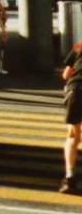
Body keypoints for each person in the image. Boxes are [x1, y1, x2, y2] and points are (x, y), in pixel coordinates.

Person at [62, 39, 82, 193]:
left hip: (75, 90)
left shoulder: (80, 45)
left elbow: (66, 74)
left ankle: (70, 177)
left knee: (73, 135)